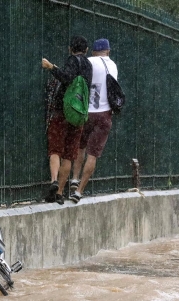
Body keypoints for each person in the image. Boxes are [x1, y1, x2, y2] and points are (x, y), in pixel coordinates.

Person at [41, 36, 93, 204]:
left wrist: (51, 67)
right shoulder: (88, 65)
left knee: (55, 150)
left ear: (70, 48)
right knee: (69, 155)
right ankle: (60, 193)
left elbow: (67, 77)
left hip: (62, 112)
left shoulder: (72, 60)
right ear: (86, 50)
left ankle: (54, 181)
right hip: (78, 116)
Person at [69, 38, 118, 203]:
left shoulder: (88, 62)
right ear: (108, 51)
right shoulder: (113, 65)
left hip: (87, 112)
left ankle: (74, 178)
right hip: (104, 114)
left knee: (80, 146)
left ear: (93, 51)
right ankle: (80, 191)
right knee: (93, 154)